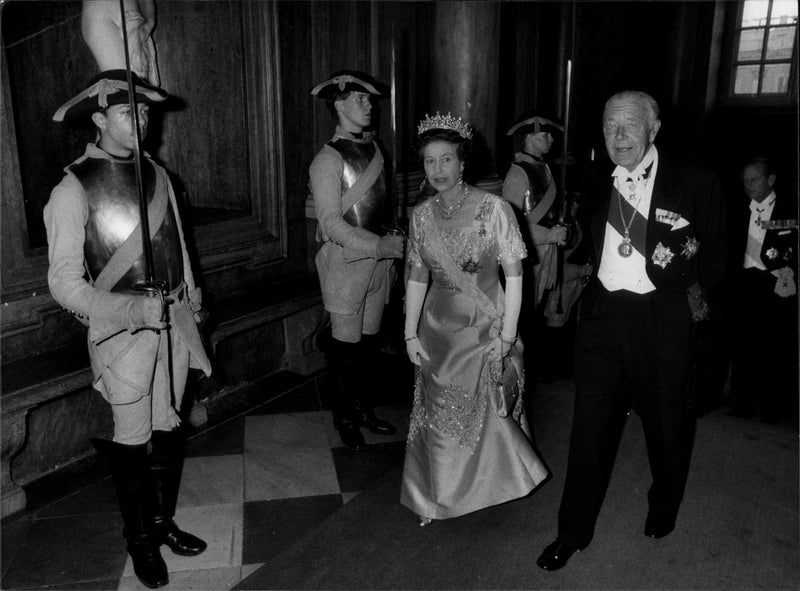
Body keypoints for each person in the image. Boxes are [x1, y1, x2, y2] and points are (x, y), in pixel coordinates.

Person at [536, 91, 726, 570]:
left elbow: (718, 258)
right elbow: (586, 241)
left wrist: (693, 311)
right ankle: (571, 532)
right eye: (609, 126)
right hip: (602, 320)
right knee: (588, 431)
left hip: (662, 321)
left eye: (629, 126)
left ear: (654, 128)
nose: (618, 137)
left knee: (666, 425)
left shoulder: (696, 183)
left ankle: (664, 505)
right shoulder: (590, 179)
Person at [46, 70, 212, 588]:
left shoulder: (159, 175)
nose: (140, 120)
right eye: (127, 112)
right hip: (123, 338)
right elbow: (65, 285)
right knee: (134, 439)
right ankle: (139, 541)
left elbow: (179, 248)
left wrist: (192, 294)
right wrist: (128, 312)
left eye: (144, 111)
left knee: (168, 431)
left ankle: (162, 525)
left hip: (173, 327)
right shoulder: (72, 188)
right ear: (98, 119)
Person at [401, 113, 549, 526]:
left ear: (463, 162)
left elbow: (516, 276)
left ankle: (495, 482)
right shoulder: (421, 215)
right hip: (436, 327)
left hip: (483, 325)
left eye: (446, 159)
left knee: (487, 412)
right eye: (430, 162)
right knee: (435, 414)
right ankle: (435, 496)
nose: (438, 170)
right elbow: (416, 275)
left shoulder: (495, 209)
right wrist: (410, 332)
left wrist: (507, 333)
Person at [309, 71, 403, 450]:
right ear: (338, 104)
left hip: (380, 264)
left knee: (367, 345)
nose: (369, 106)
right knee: (345, 349)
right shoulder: (327, 159)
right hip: (346, 264)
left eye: (371, 100)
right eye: (361, 100)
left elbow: (384, 207)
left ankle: (364, 409)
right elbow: (330, 223)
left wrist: (393, 239)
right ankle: (344, 417)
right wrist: (378, 246)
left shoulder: (376, 151)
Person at [502, 114, 592, 379]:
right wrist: (550, 234)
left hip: (547, 253)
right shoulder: (518, 174)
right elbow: (510, 227)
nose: (551, 140)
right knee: (522, 315)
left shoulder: (543, 169)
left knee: (536, 311)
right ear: (529, 138)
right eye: (545, 135)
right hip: (530, 255)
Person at [727, 157, 798, 423]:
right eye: (745, 180)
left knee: (775, 349)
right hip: (745, 283)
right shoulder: (737, 208)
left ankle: (773, 409)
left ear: (771, 180)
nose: (748, 185)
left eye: (754, 179)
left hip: (774, 284)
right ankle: (741, 404)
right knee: (744, 345)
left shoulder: (790, 208)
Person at [82, 0, 160, 85]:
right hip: (101, 12)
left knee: (145, 86)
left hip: (124, 14)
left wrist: (149, 24)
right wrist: (149, 24)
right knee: (136, 87)